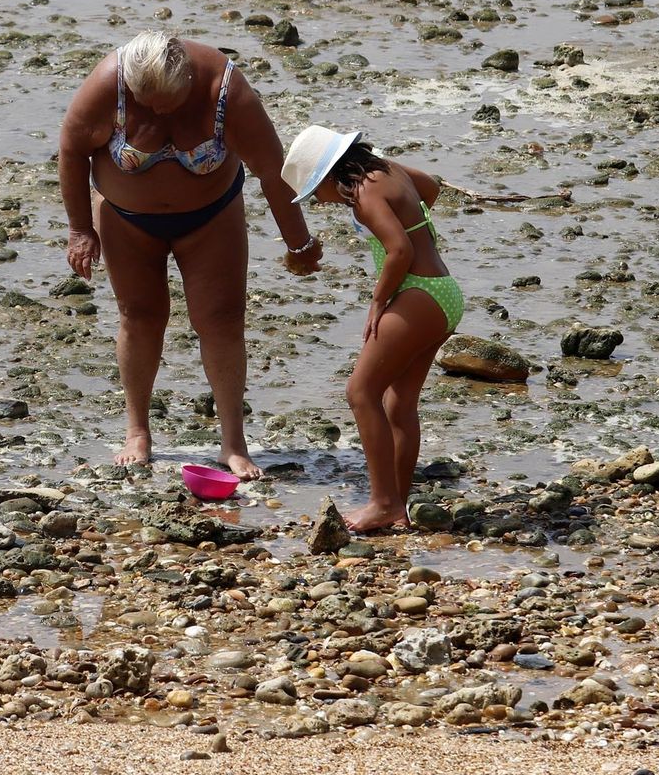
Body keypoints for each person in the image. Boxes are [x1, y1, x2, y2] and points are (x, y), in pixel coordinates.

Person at [58, 31, 323, 476]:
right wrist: (80, 230)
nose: (156, 111)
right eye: (146, 101)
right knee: (139, 316)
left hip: (210, 218)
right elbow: (71, 152)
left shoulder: (227, 92)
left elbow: (271, 171)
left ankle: (233, 443)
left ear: (188, 79)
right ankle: (137, 431)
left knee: (220, 320)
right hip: (126, 220)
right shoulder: (109, 84)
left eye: (167, 102)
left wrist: (298, 242)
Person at [280, 125, 464, 531]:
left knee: (360, 392)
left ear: (330, 176)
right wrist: (414, 221)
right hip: (444, 292)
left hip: (418, 294)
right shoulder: (388, 169)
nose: (322, 204)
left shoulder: (362, 196)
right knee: (399, 403)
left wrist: (378, 301)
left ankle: (382, 503)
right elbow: (429, 189)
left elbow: (399, 250)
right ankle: (397, 504)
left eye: (316, 194)